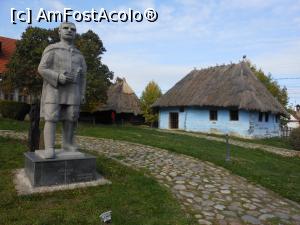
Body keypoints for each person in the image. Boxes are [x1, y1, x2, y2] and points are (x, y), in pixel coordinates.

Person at [38, 22, 86, 159]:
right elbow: (41, 68)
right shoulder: (52, 49)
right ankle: (49, 148)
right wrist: (58, 77)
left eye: (73, 29)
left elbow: (84, 76)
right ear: (59, 31)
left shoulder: (79, 55)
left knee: (71, 118)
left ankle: (67, 144)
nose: (69, 31)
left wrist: (82, 93)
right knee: (51, 118)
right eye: (66, 28)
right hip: (55, 90)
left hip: (73, 92)